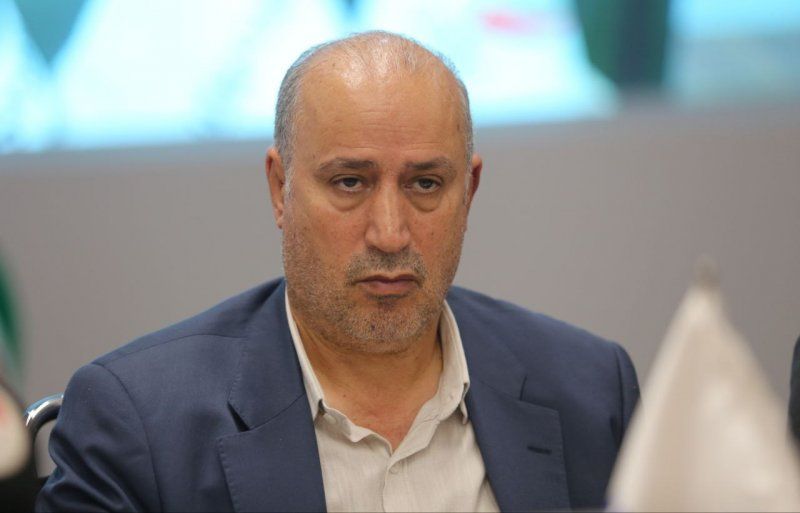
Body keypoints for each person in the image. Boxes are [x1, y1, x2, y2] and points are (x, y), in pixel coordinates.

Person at [37, 31, 639, 512]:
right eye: (350, 182)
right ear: (280, 188)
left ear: (470, 191)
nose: (390, 234)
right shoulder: (139, 422)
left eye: (425, 184)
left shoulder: (590, 392)